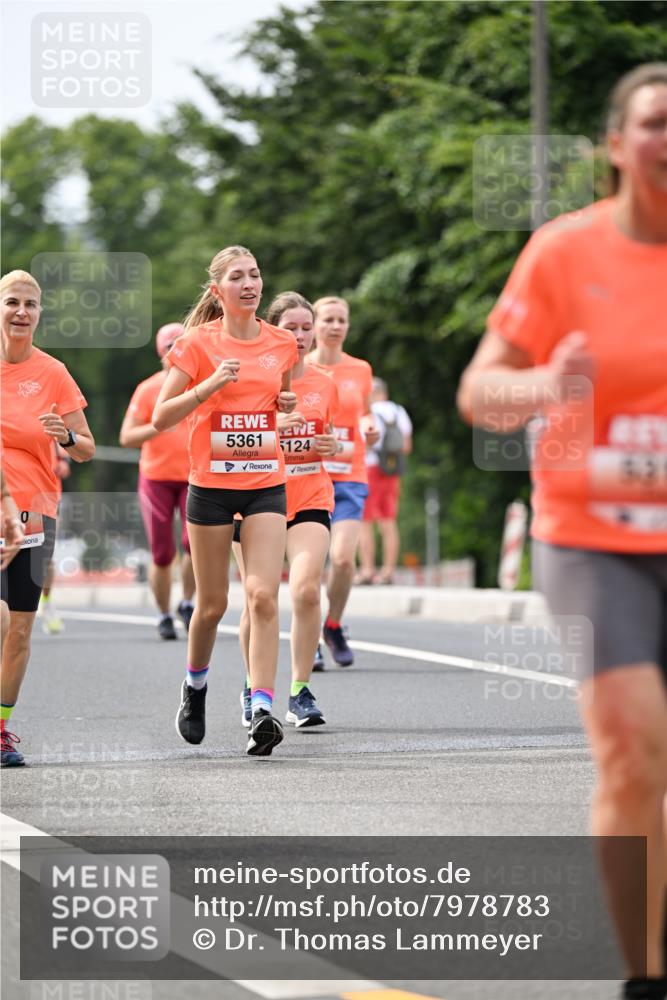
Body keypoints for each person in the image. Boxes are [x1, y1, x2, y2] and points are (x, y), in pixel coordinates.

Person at [457, 63, 667, 1000]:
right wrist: (545, 385)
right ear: (616, 147)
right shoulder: (562, 254)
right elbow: (478, 392)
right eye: (655, 122)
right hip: (593, 535)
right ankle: (646, 977)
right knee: (632, 748)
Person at [152, 246, 298, 756]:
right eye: (237, 277)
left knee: (262, 595)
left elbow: (278, 401)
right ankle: (194, 689)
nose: (249, 283)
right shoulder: (196, 344)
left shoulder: (282, 343)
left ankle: (262, 709)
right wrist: (209, 385)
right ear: (219, 291)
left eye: (255, 274)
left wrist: (285, 406)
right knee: (212, 606)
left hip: (264, 482)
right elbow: (161, 417)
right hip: (210, 488)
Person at [0, 270, 95, 768]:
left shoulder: (53, 373)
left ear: (39, 313)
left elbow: (87, 449)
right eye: (12, 302)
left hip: (37, 512)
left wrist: (64, 436)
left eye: (30, 305)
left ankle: (0, 729)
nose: (21, 312)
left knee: (18, 630)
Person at [233, 291, 338, 728]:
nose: (299, 335)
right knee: (259, 599)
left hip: (309, 496)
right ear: (274, 330)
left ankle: (299, 690)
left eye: (306, 327)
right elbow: (229, 441)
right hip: (254, 498)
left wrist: (330, 445)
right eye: (290, 327)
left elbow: (330, 439)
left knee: (307, 589)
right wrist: (273, 429)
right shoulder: (253, 379)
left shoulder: (325, 384)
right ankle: (252, 685)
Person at [306, 296, 379, 669]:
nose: (335, 326)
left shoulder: (360, 369)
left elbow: (363, 412)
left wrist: (369, 426)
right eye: (328, 320)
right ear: (315, 325)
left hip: (350, 473)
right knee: (313, 563)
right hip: (308, 473)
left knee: (343, 559)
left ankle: (332, 626)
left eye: (342, 320)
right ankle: (310, 636)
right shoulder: (300, 366)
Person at [120, 323, 195, 640]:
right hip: (157, 478)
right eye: (169, 347)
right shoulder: (149, 389)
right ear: (161, 353)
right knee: (163, 553)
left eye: (180, 346)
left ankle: (188, 603)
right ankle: (164, 614)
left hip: (195, 477)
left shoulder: (200, 384)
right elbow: (127, 436)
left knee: (195, 547)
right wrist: (160, 424)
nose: (174, 352)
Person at [357, 377, 413, 585]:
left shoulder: (369, 413)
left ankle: (367, 570)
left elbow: (365, 444)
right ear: (386, 393)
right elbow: (406, 447)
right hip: (391, 470)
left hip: (371, 468)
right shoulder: (399, 411)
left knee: (365, 522)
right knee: (388, 521)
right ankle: (388, 571)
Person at [37, 442, 70, 634]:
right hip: (12, 496)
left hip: (46, 498)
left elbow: (62, 447)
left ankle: (46, 604)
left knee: (45, 556)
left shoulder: (47, 420)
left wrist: (63, 463)